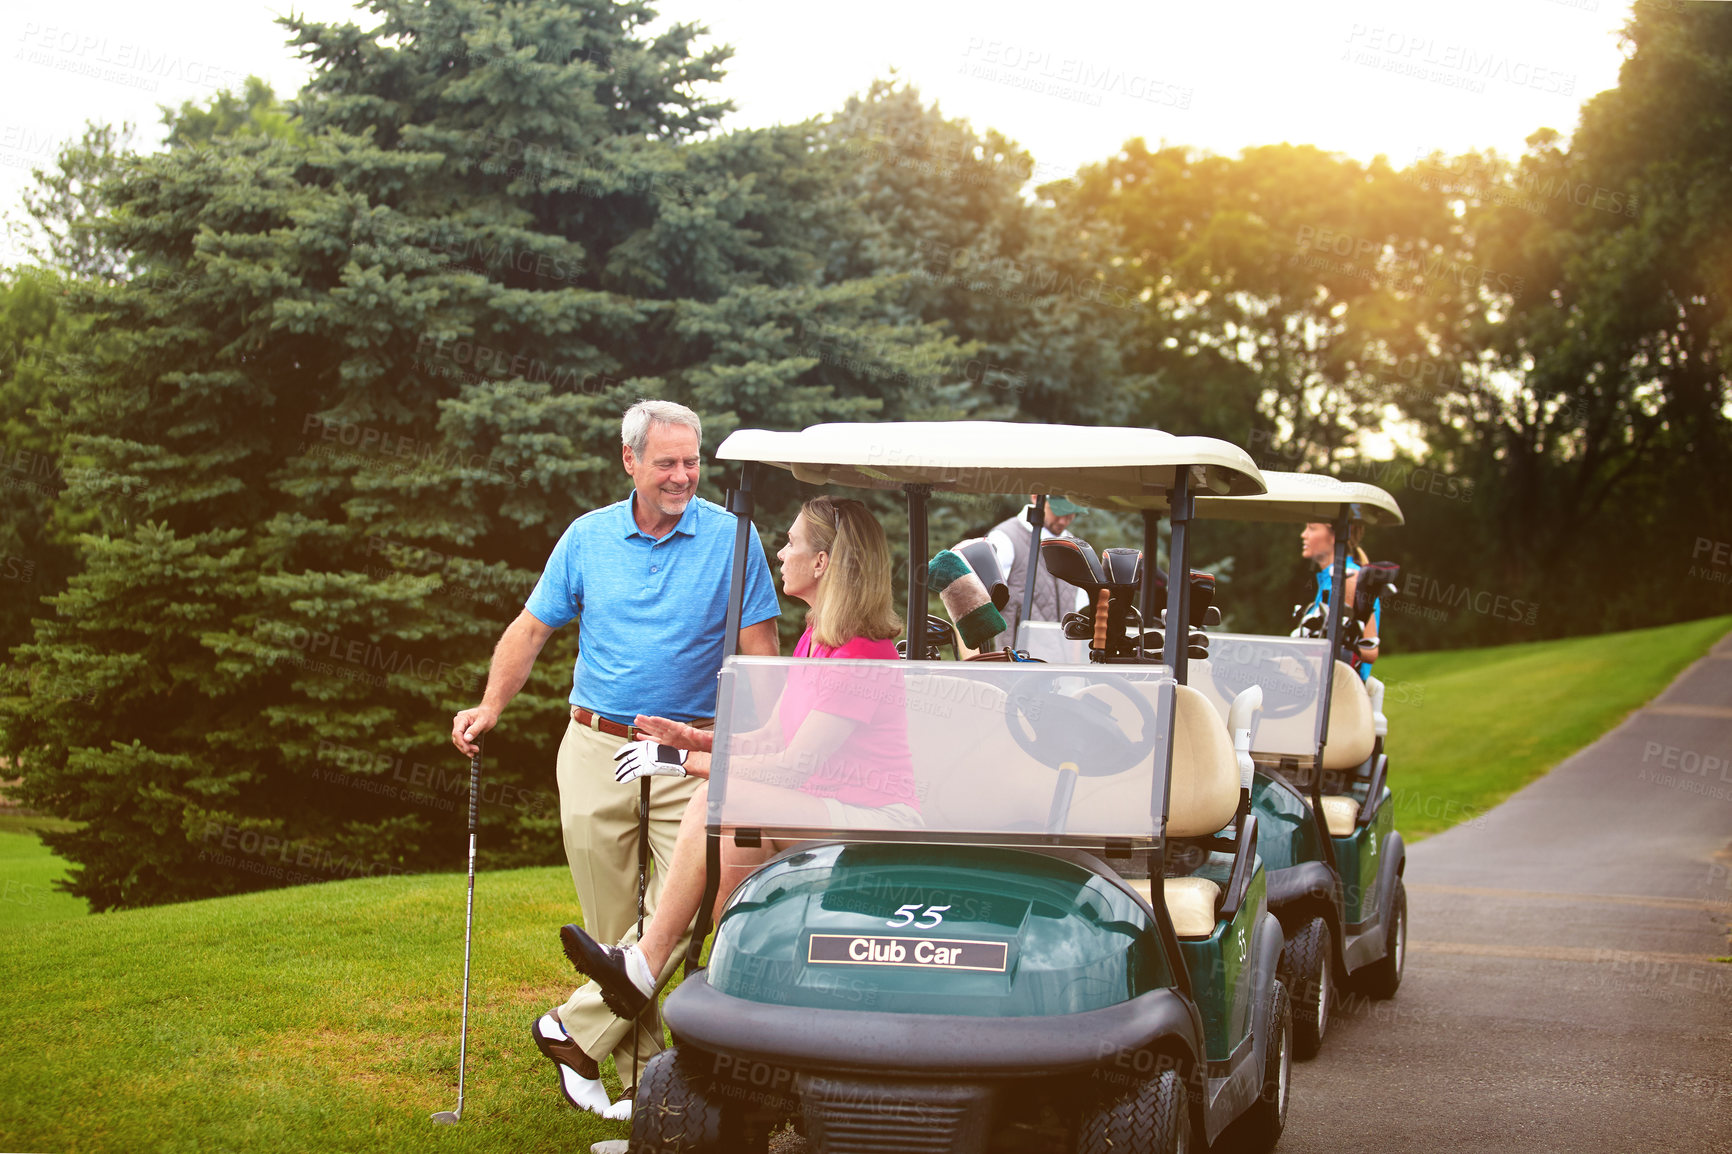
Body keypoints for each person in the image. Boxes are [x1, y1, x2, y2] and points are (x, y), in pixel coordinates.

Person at [449, 400, 781, 1119]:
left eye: (692, 461)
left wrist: (755, 750)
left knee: (687, 910)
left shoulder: (735, 540)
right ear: (629, 461)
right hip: (595, 745)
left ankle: (572, 1031)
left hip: (687, 752)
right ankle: (644, 1092)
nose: (683, 476)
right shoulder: (587, 538)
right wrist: (489, 707)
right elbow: (531, 629)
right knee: (609, 928)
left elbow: (762, 661)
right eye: (667, 462)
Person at [558, 496, 913, 1021]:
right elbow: (772, 736)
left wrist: (681, 763)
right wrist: (692, 738)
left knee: (716, 800)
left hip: (876, 824)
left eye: (791, 542)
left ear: (822, 562)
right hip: (825, 810)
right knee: (728, 844)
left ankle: (647, 966)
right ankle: (724, 999)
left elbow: (792, 768)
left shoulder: (861, 651)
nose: (779, 552)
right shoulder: (819, 637)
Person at [984, 495, 1092, 649]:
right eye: (1058, 512)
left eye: (1070, 514)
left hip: (1061, 669)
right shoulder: (1004, 538)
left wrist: (1073, 670)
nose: (1063, 521)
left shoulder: (1075, 547)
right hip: (1016, 667)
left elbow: (1076, 615)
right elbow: (973, 607)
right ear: (1035, 497)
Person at [1299, 520, 1381, 680]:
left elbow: (1370, 651)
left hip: (1339, 689)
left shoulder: (1349, 579)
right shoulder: (1328, 579)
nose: (1303, 535)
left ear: (1336, 535)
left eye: (1312, 528)